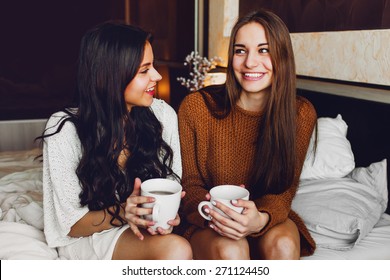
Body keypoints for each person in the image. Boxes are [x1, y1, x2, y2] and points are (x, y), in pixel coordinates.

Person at [40, 21, 192, 260]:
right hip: (88, 235)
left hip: (143, 231)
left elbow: (173, 184)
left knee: (178, 245)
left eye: (153, 66)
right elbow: (70, 225)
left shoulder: (163, 115)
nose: (158, 76)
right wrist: (124, 212)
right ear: (110, 76)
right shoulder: (65, 129)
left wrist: (170, 217)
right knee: (176, 249)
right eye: (144, 70)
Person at [177, 9, 317, 259]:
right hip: (209, 221)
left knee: (284, 244)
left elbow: (285, 190)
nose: (250, 62)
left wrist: (259, 220)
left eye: (264, 50)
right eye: (240, 50)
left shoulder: (300, 113)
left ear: (282, 56)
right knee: (232, 248)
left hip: (265, 217)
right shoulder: (196, 107)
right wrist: (221, 217)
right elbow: (190, 185)